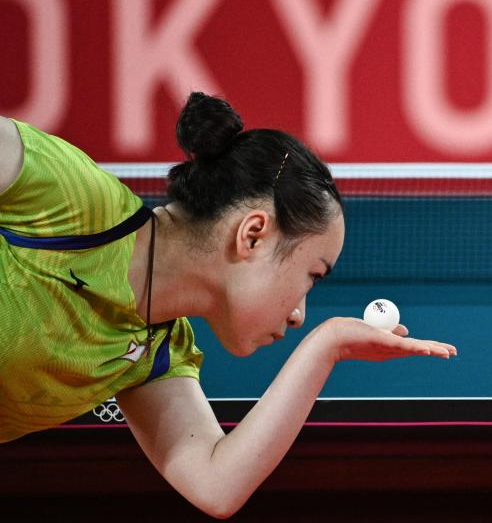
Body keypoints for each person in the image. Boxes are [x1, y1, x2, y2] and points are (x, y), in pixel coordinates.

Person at [0, 92, 457, 518]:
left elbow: (218, 485)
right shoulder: (75, 204)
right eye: (311, 276)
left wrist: (329, 345)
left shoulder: (154, 353)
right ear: (252, 235)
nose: (300, 314)